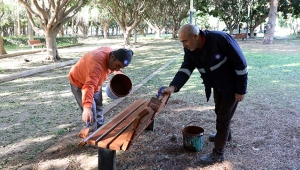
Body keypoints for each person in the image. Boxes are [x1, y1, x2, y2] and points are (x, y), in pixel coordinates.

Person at [161, 24, 248, 164]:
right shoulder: (191, 49)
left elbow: (241, 64)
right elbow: (186, 68)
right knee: (218, 111)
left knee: (223, 120)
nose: (184, 45)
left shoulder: (220, 39)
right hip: (216, 85)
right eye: (181, 42)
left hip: (231, 86)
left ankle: (218, 154)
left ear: (196, 36)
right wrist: (173, 87)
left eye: (185, 41)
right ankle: (226, 135)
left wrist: (241, 90)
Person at [68, 47, 133, 130]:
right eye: (117, 66)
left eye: (120, 68)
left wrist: (118, 72)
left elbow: (93, 82)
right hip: (80, 83)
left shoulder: (111, 54)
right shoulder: (97, 65)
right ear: (112, 57)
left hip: (95, 82)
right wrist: (87, 107)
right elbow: (89, 86)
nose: (117, 69)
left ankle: (100, 129)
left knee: (99, 106)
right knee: (91, 112)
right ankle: (91, 134)